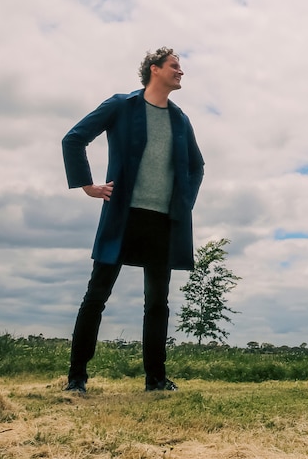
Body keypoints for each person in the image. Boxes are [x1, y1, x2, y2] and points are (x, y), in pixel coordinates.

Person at [61, 47, 204, 393]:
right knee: (96, 296)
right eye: (174, 66)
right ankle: (76, 378)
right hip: (123, 217)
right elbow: (74, 139)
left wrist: (183, 203)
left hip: (162, 222)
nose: (180, 72)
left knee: (157, 303)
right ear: (154, 70)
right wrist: (86, 185)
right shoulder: (121, 105)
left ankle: (155, 380)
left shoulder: (180, 119)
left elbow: (196, 166)